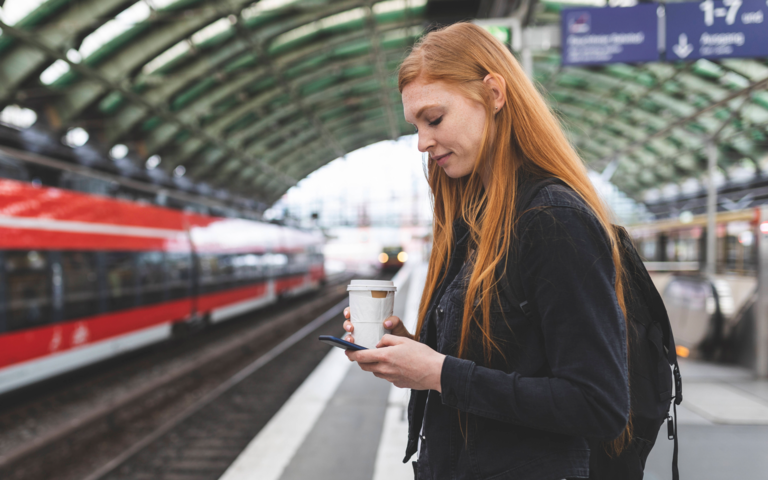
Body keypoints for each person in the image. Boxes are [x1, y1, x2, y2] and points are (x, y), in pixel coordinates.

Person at [342, 22, 630, 480]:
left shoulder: (553, 220)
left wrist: (439, 373)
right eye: (416, 126)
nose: (422, 142)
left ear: (494, 93)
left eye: (434, 119)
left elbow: (598, 403)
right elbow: (498, 363)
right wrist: (413, 355)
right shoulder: (471, 218)